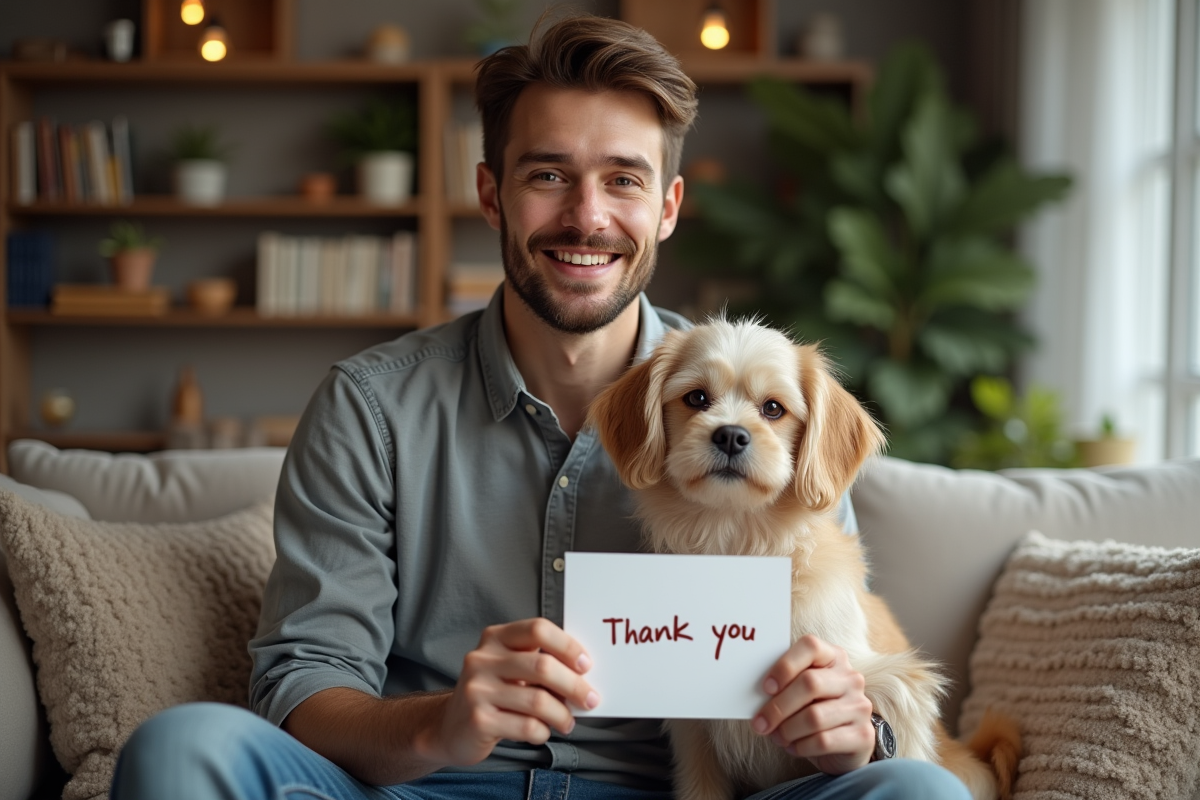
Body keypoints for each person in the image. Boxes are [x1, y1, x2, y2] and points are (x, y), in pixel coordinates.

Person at [111, 14, 969, 800]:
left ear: (666, 208)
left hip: (665, 789)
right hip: (423, 786)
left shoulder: (773, 412)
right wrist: (440, 721)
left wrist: (857, 736)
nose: (586, 217)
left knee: (920, 794)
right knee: (182, 749)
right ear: (491, 195)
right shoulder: (368, 408)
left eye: (623, 180)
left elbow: (847, 658)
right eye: (548, 174)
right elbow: (301, 690)